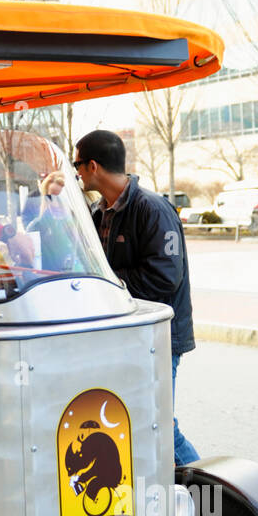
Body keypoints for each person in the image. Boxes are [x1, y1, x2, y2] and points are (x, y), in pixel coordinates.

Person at [73, 129, 198, 466]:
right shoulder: (101, 213)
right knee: (133, 421)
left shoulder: (152, 209)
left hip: (159, 337)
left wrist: (106, 282)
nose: (77, 173)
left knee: (161, 426)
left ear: (93, 166)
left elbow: (164, 277)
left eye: (78, 166)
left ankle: (211, 495)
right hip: (123, 335)